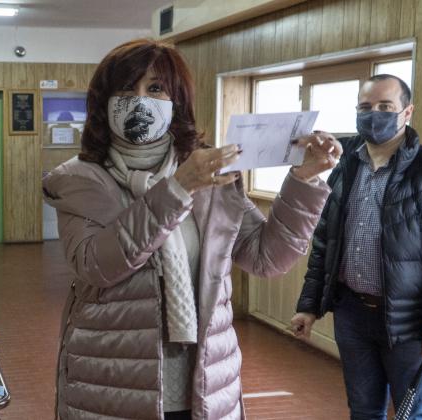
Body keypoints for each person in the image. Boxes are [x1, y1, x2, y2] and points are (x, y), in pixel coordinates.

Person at [42, 39, 340, 420]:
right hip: (112, 385)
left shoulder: (209, 176)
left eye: (155, 89)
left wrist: (304, 179)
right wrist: (178, 188)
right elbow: (97, 266)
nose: (139, 101)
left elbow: (267, 257)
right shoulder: (78, 179)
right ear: (102, 102)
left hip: (205, 385)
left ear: (176, 100)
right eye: (125, 89)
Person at [291, 74, 422, 419]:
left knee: (415, 413)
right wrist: (309, 306)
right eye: (365, 107)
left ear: (406, 113)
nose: (373, 114)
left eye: (385, 107)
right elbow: (324, 243)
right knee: (363, 411)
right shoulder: (344, 165)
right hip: (352, 314)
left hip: (410, 323)